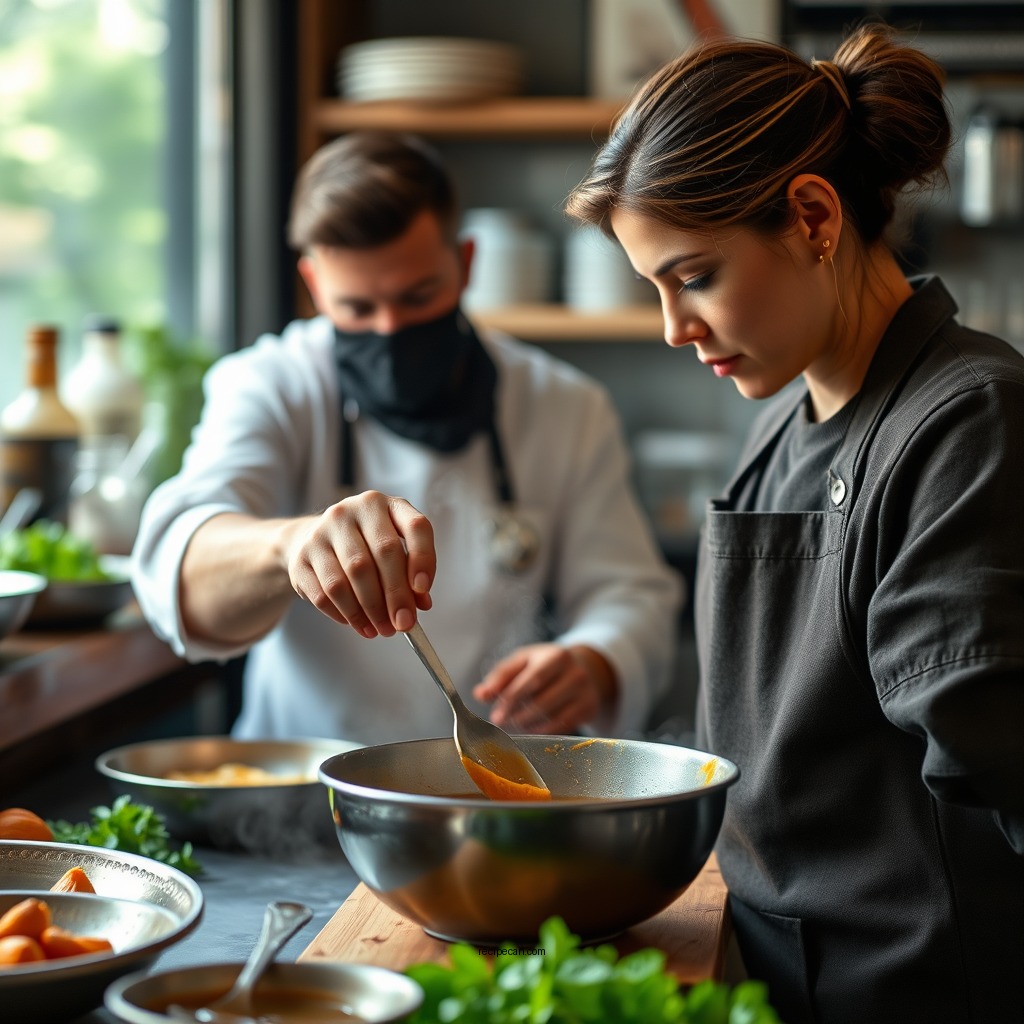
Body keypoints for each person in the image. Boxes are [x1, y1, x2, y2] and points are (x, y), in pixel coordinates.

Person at [563, 22, 1023, 1024]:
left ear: (812, 216)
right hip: (765, 973)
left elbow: (1007, 764)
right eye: (654, 288)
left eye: (692, 276)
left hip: (919, 992)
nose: (674, 327)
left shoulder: (966, 416)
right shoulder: (776, 424)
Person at [131, 131, 681, 746]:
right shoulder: (269, 385)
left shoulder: (565, 406)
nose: (390, 330)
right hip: (307, 793)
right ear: (314, 285)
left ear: (465, 263)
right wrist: (291, 546)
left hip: (495, 794)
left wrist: (597, 660)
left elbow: (630, 592)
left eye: (418, 297)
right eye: (357, 308)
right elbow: (182, 565)